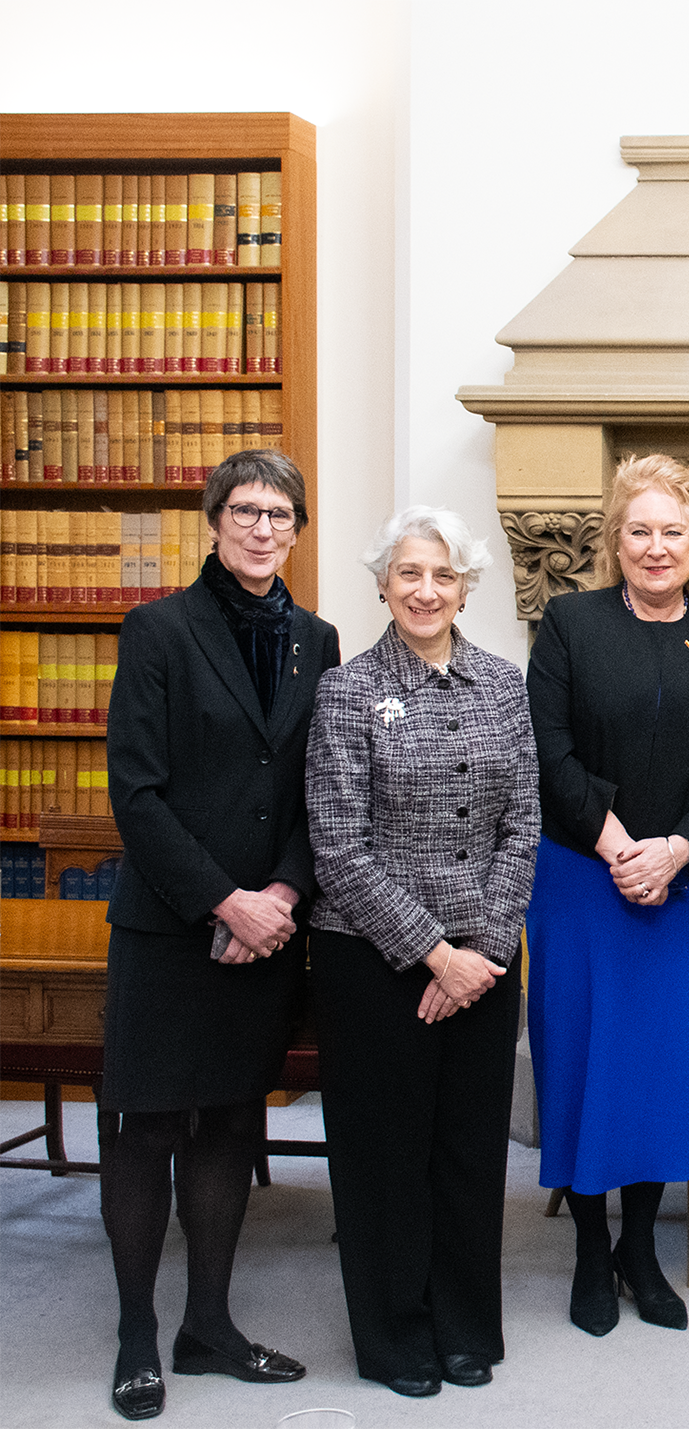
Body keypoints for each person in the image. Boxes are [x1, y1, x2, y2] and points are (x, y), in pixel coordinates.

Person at [100, 449, 338, 1420]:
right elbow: (137, 793)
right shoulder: (157, 630)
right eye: (245, 510)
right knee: (148, 1123)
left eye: (280, 515)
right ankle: (135, 1333)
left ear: (295, 531)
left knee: (234, 1120)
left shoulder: (317, 642)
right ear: (213, 519)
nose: (261, 528)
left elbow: (315, 789)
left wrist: (278, 894)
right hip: (170, 927)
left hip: (269, 931)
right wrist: (223, 901)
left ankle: (208, 1325)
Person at [524, 454, 689, 1338]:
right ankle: (590, 1249)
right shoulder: (570, 624)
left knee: (658, 1072)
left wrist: (678, 849)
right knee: (586, 1063)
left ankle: (641, 1247)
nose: (655, 547)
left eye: (672, 531)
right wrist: (622, 844)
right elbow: (546, 749)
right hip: (584, 880)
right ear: (614, 540)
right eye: (639, 531)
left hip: (681, 887)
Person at [305, 507, 539, 1397]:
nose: (426, 590)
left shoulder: (502, 684)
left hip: (485, 953)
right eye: (409, 573)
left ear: (466, 587)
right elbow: (338, 845)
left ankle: (465, 1323)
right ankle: (395, 1333)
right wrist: (434, 954)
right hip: (374, 960)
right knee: (385, 1155)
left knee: (470, 1150)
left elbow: (524, 824)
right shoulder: (347, 689)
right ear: (382, 585)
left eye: (443, 575)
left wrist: (480, 947)